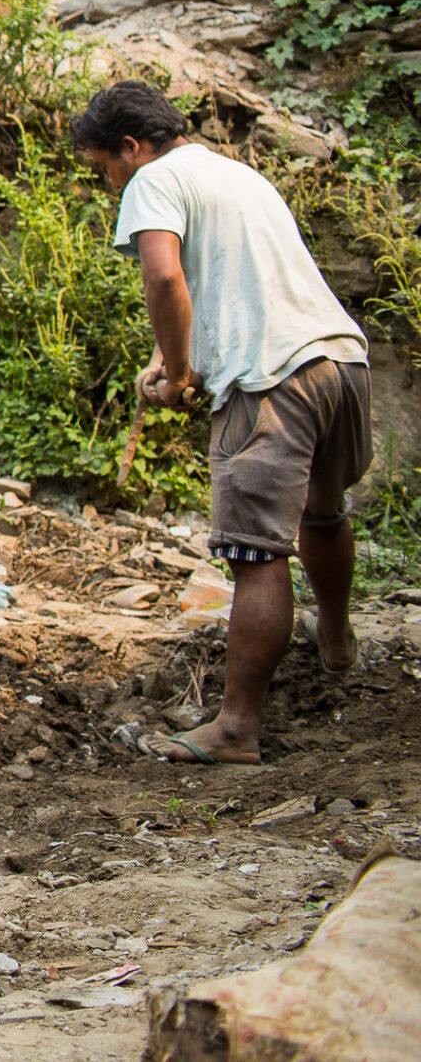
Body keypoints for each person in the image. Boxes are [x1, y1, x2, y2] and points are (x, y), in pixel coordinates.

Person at [73, 80, 370, 765]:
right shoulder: (238, 177)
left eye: (105, 169)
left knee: (255, 554)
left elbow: (165, 280)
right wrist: (169, 357)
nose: (110, 184)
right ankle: (335, 633)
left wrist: (178, 377)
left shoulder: (152, 180)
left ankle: (236, 728)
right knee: (323, 511)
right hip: (340, 362)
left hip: (271, 383)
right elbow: (221, 284)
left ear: (130, 146)